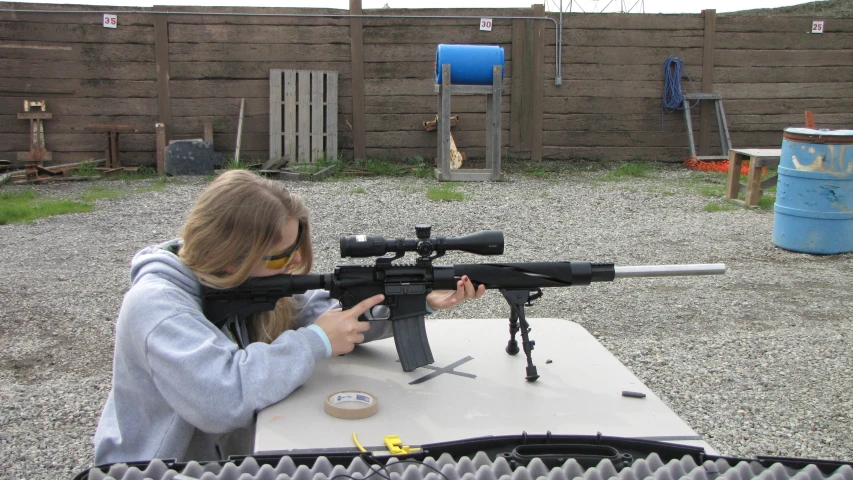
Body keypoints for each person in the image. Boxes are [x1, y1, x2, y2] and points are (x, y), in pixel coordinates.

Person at [93, 170, 485, 465]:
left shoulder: (250, 281)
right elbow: (222, 398)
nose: (297, 261)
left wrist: (415, 299)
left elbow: (328, 315)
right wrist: (314, 341)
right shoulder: (156, 306)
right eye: (282, 255)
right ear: (231, 256)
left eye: (299, 244)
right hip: (155, 469)